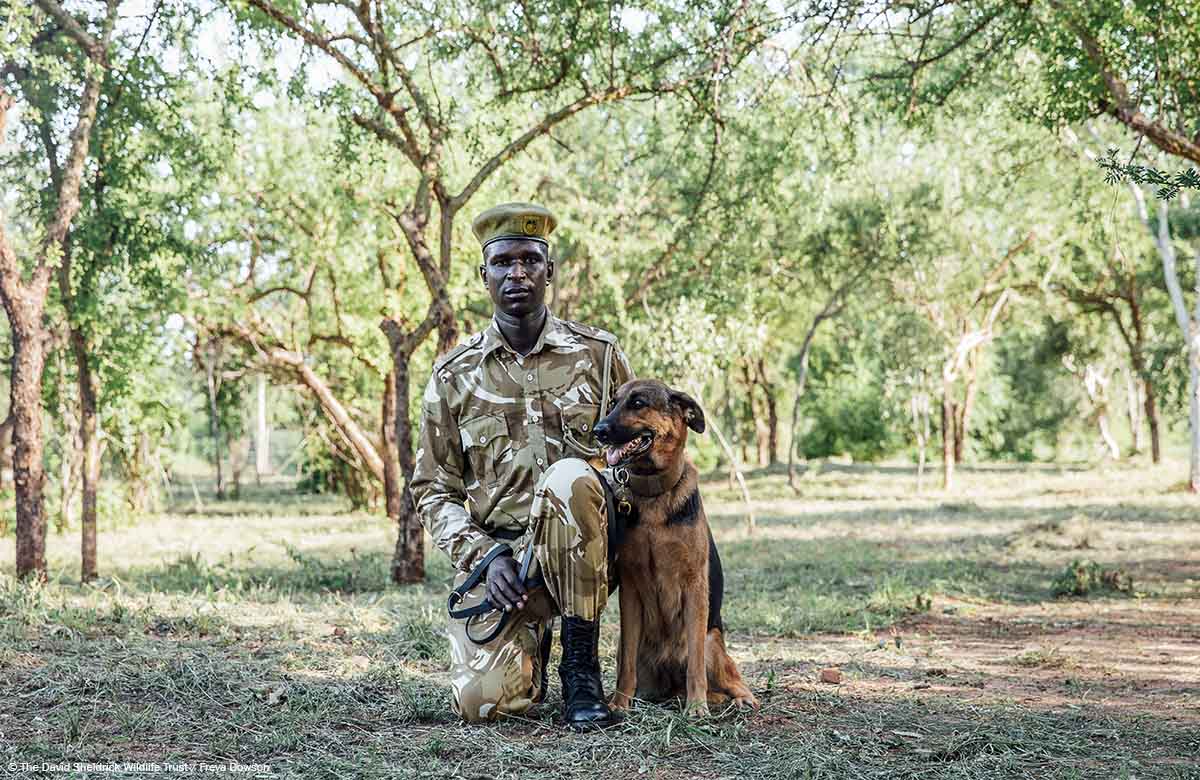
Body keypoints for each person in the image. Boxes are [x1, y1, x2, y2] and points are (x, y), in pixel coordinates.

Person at [411, 202, 634, 728]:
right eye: (503, 262)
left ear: (549, 272)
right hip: (509, 568)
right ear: (483, 275)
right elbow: (431, 489)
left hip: (594, 554)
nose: (518, 273)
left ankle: (581, 665)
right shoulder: (453, 375)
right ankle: (532, 645)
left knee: (568, 476)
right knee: (482, 704)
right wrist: (486, 557)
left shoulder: (599, 355)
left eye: (531, 260)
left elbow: (633, 452)